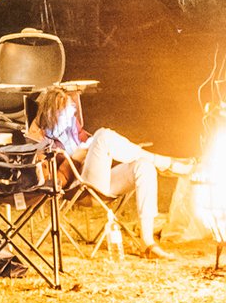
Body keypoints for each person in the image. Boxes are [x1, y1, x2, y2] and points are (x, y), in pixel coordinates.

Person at [30, 87, 192, 259]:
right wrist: (75, 159)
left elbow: (91, 149)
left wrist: (89, 147)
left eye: (72, 114)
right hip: (79, 189)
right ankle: (165, 163)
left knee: (144, 166)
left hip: (98, 182)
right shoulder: (41, 142)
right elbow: (53, 183)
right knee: (103, 135)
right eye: (66, 114)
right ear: (51, 115)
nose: (71, 119)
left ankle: (148, 243)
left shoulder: (71, 130)